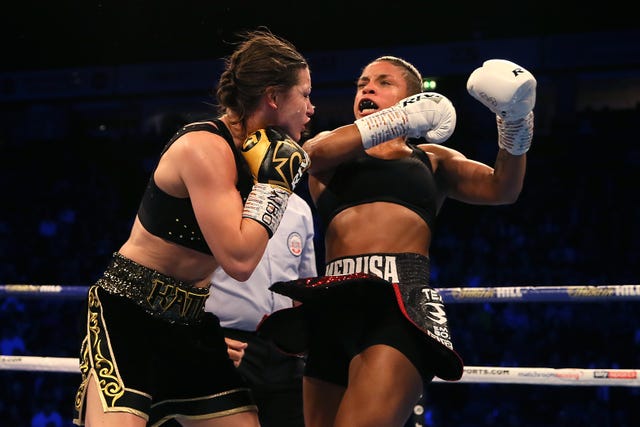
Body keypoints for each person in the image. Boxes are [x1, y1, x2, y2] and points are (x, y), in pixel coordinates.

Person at [259, 56, 537, 427]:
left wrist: (515, 124)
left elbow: (503, 188)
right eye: (362, 83)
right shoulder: (331, 146)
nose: (367, 88)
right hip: (332, 307)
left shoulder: (432, 160)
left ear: (415, 97)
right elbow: (306, 158)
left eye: (383, 82)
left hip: (398, 306)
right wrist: (397, 119)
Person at [72, 28, 313, 427]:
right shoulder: (204, 148)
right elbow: (238, 259)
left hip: (191, 320)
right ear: (273, 96)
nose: (311, 107)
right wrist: (275, 186)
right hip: (131, 310)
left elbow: (325, 151)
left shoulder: (259, 151)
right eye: (304, 94)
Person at [210, 190, 316, 427]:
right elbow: (186, 271)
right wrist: (203, 338)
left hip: (285, 351)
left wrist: (308, 348)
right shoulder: (219, 197)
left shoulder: (299, 207)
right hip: (227, 343)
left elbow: (305, 288)